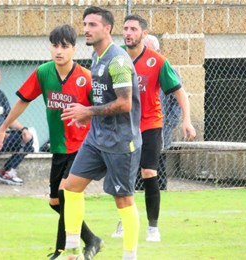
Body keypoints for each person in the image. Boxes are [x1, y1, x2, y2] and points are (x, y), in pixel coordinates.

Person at [0, 25, 102, 260]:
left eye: (64, 46)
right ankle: (91, 239)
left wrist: (88, 115)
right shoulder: (43, 73)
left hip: (84, 146)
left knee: (65, 194)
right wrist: (2, 129)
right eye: (55, 45)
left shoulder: (86, 77)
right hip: (59, 147)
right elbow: (23, 101)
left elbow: (101, 110)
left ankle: (64, 251)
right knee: (55, 202)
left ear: (74, 49)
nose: (59, 51)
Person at [57, 6, 142, 260]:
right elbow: (102, 99)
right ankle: (72, 250)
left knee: (123, 200)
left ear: (108, 28)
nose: (86, 29)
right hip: (96, 138)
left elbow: (125, 103)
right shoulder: (96, 58)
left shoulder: (117, 61)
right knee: (71, 187)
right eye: (85, 24)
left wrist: (89, 112)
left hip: (120, 142)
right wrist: (88, 118)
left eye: (92, 25)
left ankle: (130, 256)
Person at [112, 14, 196, 243]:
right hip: (123, 126)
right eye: (125, 28)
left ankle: (152, 227)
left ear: (144, 34)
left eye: (133, 29)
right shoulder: (114, 56)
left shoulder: (157, 61)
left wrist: (187, 120)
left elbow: (179, 91)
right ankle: (124, 221)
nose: (128, 33)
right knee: (124, 176)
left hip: (150, 124)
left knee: (149, 173)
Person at [145, 34, 182, 190]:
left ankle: (160, 191)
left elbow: (177, 101)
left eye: (148, 49)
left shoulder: (167, 69)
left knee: (158, 162)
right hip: (140, 126)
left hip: (160, 126)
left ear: (157, 50)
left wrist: (169, 122)